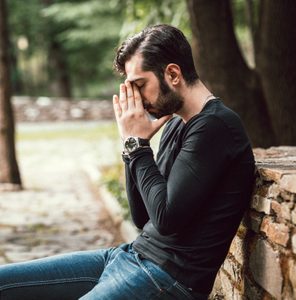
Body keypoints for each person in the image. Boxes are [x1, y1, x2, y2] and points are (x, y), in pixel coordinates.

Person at [0, 24, 255, 300]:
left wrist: (137, 146)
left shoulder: (216, 126)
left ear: (172, 73)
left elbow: (167, 218)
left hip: (167, 279)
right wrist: (129, 144)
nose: (137, 99)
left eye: (140, 85)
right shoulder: (174, 125)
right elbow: (142, 216)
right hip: (129, 256)